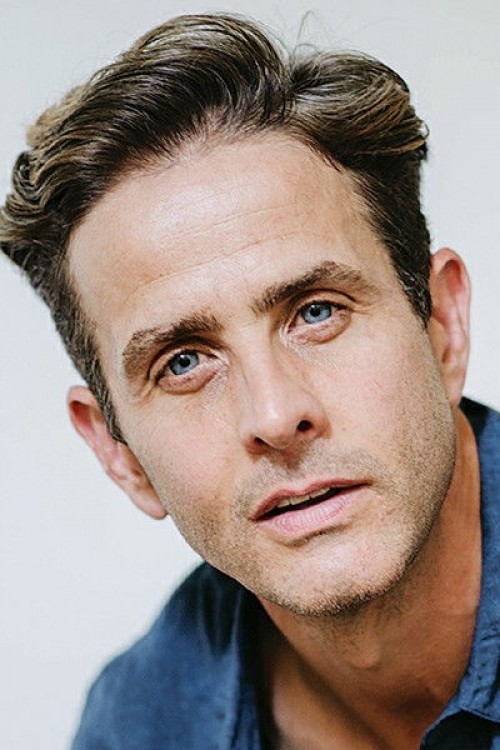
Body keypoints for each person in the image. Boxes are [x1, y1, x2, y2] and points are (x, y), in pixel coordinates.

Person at [1, 12, 499, 750]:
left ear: (443, 326)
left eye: (317, 312)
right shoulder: (139, 727)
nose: (274, 414)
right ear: (119, 455)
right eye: (183, 361)